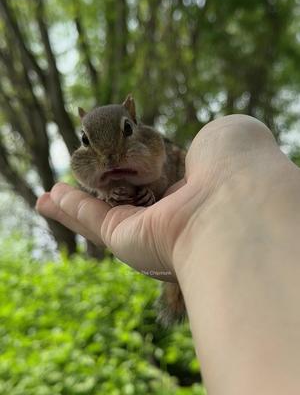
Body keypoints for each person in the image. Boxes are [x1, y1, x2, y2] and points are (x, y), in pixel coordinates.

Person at [36, 115, 300, 394]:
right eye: (88, 142)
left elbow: (165, 173)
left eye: (126, 131)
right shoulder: (90, 166)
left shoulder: (157, 148)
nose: (112, 159)